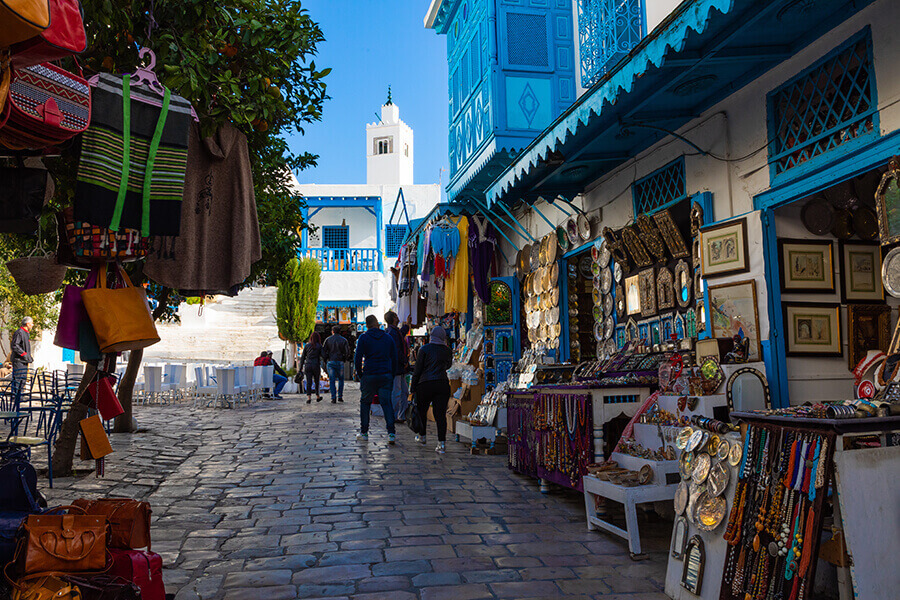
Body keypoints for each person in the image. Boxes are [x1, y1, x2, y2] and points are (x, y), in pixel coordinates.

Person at [354, 315, 397, 444]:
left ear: (366, 326)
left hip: (369, 374)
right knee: (386, 403)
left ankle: (364, 432)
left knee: (365, 403)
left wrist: (360, 374)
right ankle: (391, 433)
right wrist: (392, 374)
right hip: (385, 374)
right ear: (378, 324)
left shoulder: (364, 338)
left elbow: (358, 358)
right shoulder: (388, 338)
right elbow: (394, 358)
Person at [410, 326, 453, 454]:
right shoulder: (447, 350)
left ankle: (422, 436)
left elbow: (417, 370)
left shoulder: (424, 349)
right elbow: (448, 365)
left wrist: (413, 387)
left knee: (422, 411)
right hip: (442, 383)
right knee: (440, 415)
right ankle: (441, 443)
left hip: (425, 384)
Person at [384, 311, 410, 421]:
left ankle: (402, 414)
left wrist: (407, 325)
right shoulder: (392, 332)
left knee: (404, 392)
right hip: (397, 367)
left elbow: (401, 333)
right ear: (394, 318)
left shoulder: (394, 331)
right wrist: (404, 361)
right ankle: (394, 415)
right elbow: (397, 350)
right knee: (397, 392)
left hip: (399, 367)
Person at [323, 326, 350, 403]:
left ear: (332, 331)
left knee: (332, 380)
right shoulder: (344, 340)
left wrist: (326, 359)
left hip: (331, 361)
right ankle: (340, 396)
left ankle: (333, 397)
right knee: (341, 379)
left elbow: (324, 351)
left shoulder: (328, 340)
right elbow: (347, 352)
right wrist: (344, 359)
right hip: (340, 361)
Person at [299, 332, 323, 404]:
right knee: (317, 381)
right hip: (316, 365)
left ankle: (309, 397)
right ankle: (317, 396)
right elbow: (323, 355)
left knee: (309, 381)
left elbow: (303, 357)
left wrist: (300, 368)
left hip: (308, 365)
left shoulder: (307, 346)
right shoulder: (319, 346)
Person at [11, 317, 33, 388]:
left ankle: (20, 397)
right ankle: (15, 398)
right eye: (32, 323)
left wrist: (28, 357)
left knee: (22, 381)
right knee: (17, 381)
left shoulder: (26, 333)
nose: (33, 325)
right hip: (19, 361)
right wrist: (24, 354)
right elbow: (15, 345)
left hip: (24, 361)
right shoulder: (19, 332)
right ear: (27, 324)